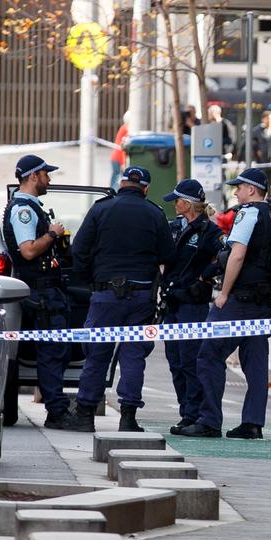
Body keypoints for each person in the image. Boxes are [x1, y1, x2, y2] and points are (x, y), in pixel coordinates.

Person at [176, 167, 271, 439]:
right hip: (263, 302)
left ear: (252, 190)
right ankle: (252, 424)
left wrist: (224, 293)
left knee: (208, 355)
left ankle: (209, 420)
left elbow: (236, 255)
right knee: (256, 365)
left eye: (239, 188)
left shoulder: (249, 213)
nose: (236, 193)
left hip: (239, 300)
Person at [69, 166, 176, 432]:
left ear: (122, 182)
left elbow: (79, 250)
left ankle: (84, 416)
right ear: (146, 188)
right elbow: (168, 255)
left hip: (105, 294)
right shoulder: (155, 213)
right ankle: (128, 417)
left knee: (97, 356)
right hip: (141, 298)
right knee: (133, 356)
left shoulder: (100, 209)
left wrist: (88, 280)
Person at [2, 154, 74, 430]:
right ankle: (56, 410)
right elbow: (29, 250)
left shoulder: (31, 207)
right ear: (34, 176)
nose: (49, 179)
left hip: (45, 291)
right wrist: (52, 234)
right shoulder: (24, 209)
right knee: (52, 352)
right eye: (46, 174)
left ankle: (56, 407)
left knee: (55, 350)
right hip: (40, 293)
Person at [159, 179, 227, 435]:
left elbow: (226, 254)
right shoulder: (173, 227)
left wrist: (205, 277)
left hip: (192, 304)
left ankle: (193, 414)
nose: (174, 204)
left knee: (189, 360)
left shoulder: (209, 231)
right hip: (172, 302)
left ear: (187, 204)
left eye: (177, 200)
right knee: (174, 359)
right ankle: (185, 412)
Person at [109, 111, 131, 190]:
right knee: (117, 179)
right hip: (118, 158)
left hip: (116, 157)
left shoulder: (123, 127)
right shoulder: (126, 129)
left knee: (116, 178)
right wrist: (123, 162)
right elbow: (123, 148)